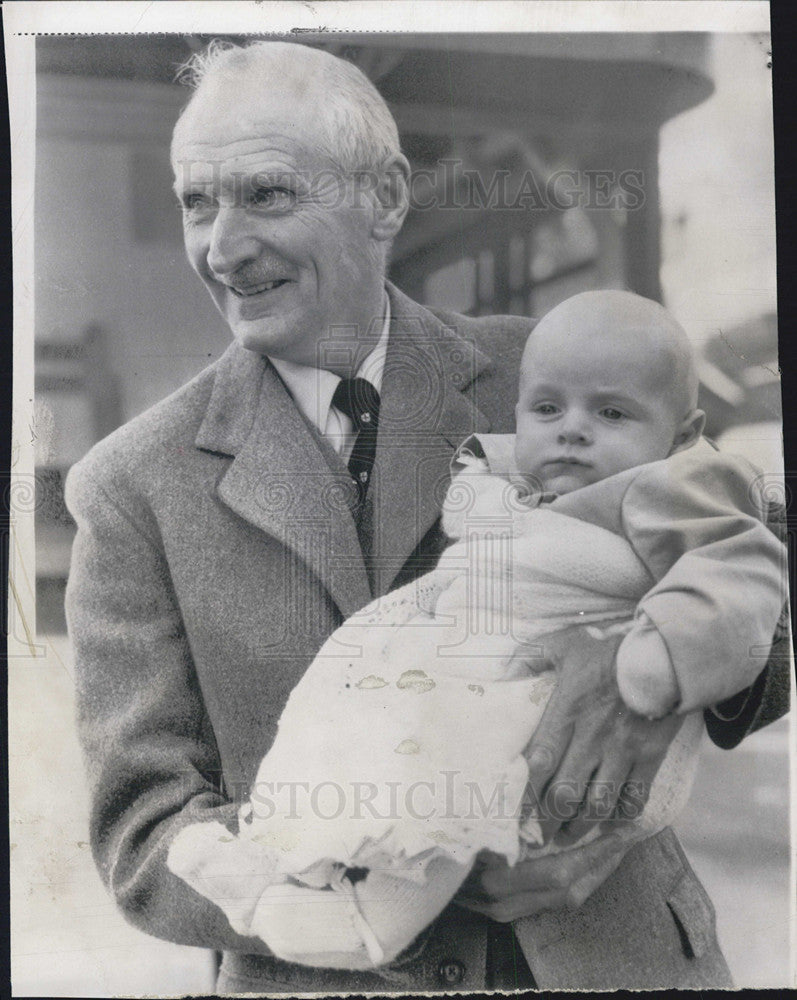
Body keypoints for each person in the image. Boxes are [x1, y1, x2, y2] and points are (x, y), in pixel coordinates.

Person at [64, 40, 789, 992]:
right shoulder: (130, 484)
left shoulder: (558, 381)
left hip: (613, 962)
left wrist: (634, 706)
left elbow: (758, 579)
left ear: (387, 197)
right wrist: (374, 861)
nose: (221, 246)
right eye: (197, 200)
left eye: (267, 194)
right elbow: (143, 826)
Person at [166, 290, 785, 971]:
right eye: (546, 410)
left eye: (609, 414)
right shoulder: (131, 478)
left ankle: (353, 921)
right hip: (398, 744)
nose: (572, 428)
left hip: (598, 910)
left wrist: (642, 671)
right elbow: (141, 807)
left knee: (443, 805)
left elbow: (753, 566)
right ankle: (278, 867)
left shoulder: (564, 363)